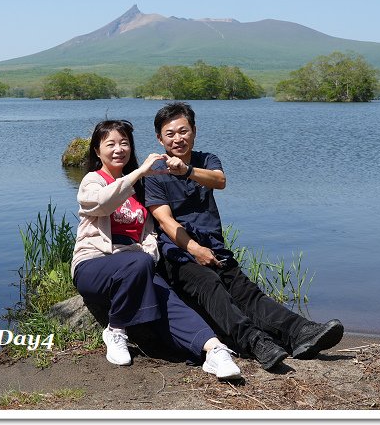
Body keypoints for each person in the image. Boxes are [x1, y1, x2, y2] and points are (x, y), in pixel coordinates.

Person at [144, 102, 344, 371]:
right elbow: (164, 220)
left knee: (246, 292)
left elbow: (219, 180)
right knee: (210, 285)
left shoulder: (206, 160)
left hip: (214, 247)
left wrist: (187, 171)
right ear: (160, 138)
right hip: (177, 253)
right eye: (170, 134)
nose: (178, 138)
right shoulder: (155, 171)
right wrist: (194, 249)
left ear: (194, 131)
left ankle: (301, 332)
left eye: (184, 131)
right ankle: (255, 342)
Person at [71, 119, 242, 379]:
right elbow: (102, 204)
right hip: (94, 265)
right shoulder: (92, 181)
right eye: (111, 144)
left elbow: (151, 234)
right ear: (97, 150)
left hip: (135, 268)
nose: (119, 149)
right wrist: (139, 172)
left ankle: (213, 350)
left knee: (167, 299)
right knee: (140, 263)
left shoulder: (138, 190)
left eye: (125, 143)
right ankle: (115, 329)